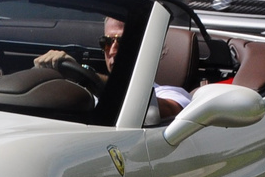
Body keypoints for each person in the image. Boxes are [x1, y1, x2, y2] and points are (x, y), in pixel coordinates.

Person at [33, 17, 193, 114]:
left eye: (123, 42)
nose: (113, 50)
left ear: (148, 48)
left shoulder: (172, 95)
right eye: (107, 42)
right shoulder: (82, 89)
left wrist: (87, 76)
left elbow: (165, 110)